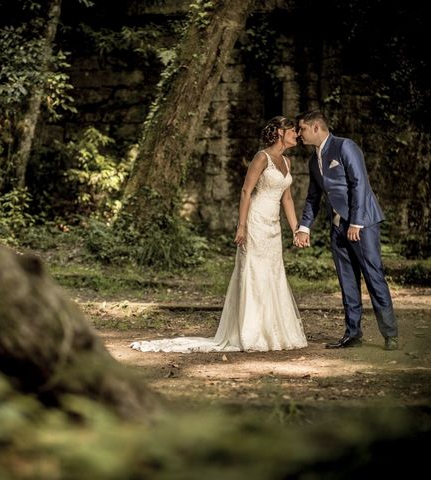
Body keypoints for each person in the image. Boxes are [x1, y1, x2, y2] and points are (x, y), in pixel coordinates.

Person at [131, 116, 308, 353]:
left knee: (273, 272)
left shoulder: (287, 161)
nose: (296, 133)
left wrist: (296, 229)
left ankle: (273, 331)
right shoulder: (261, 157)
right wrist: (241, 226)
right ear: (278, 132)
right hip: (255, 221)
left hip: (273, 226)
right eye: (292, 130)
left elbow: (287, 198)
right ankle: (251, 331)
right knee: (253, 272)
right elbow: (246, 191)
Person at [293, 110, 399, 351]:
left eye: (302, 129)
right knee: (347, 281)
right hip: (338, 227)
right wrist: (304, 227)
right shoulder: (313, 160)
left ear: (316, 127)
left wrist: (357, 222)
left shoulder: (345, 146)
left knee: (374, 277)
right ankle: (353, 333)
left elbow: (359, 183)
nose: (299, 134)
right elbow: (313, 197)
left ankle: (390, 334)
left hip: (363, 224)